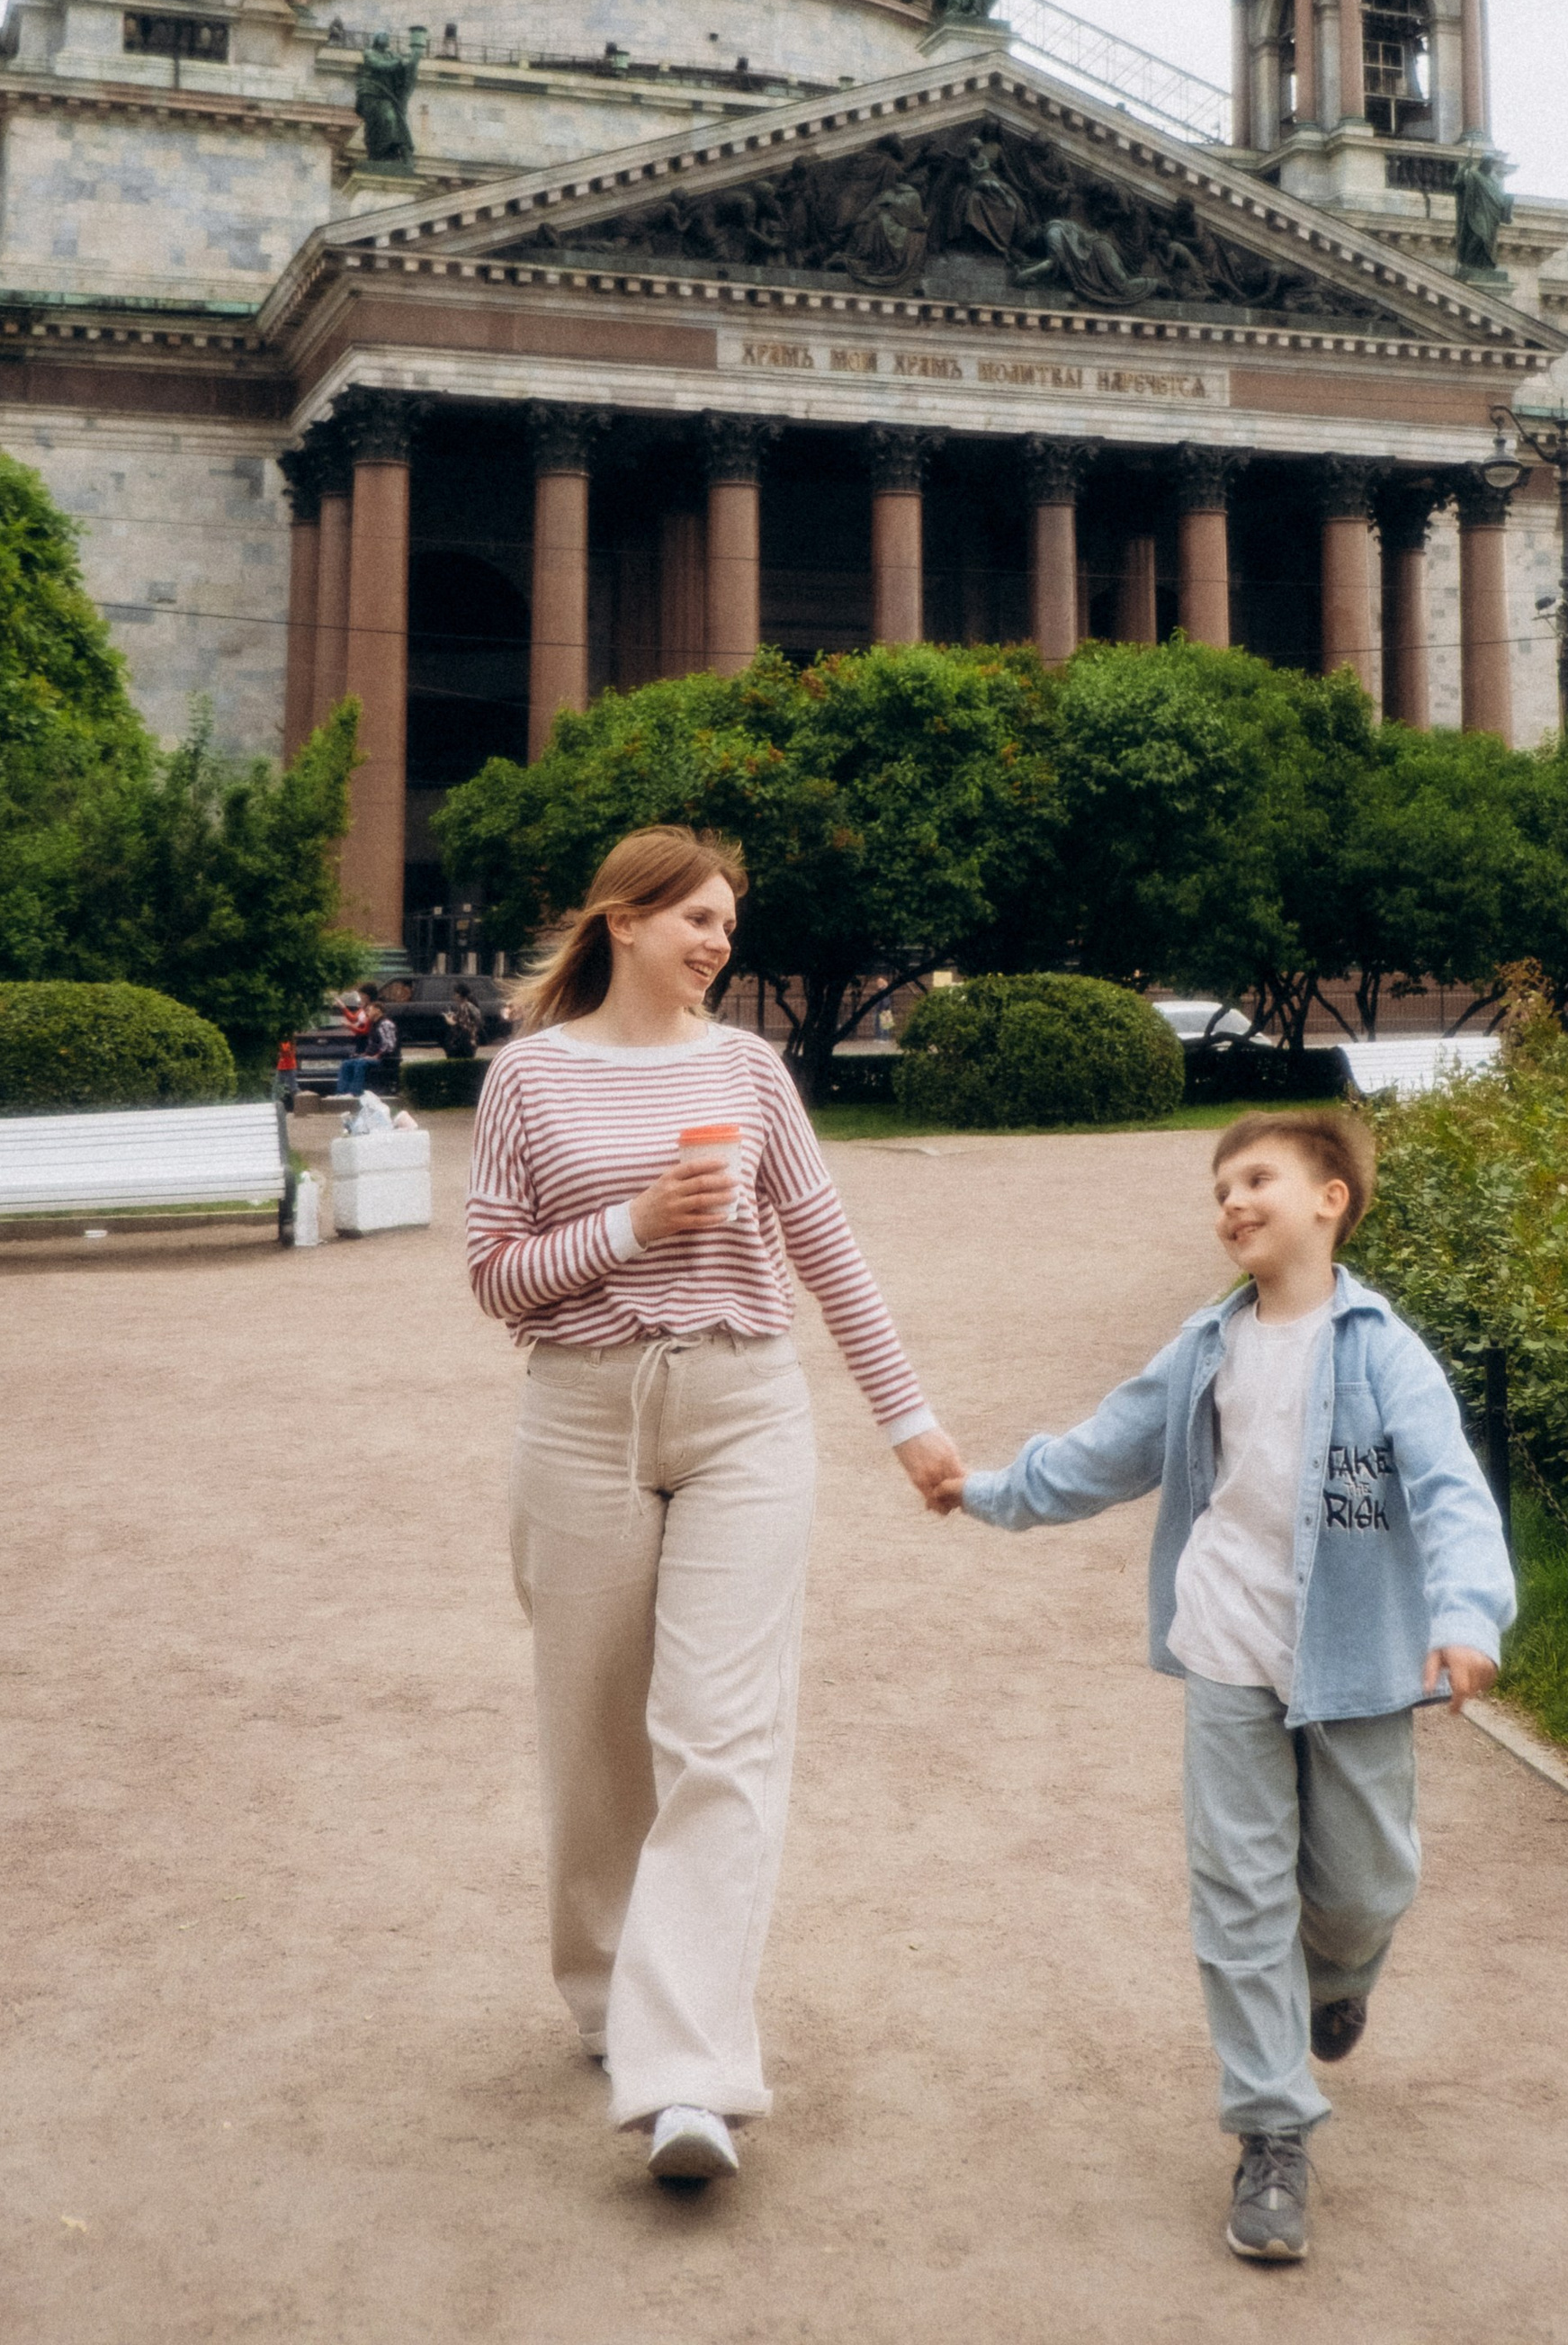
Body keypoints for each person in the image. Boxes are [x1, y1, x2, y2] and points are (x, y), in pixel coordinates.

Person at [924, 1111, 1513, 2267]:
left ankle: (1336, 1979)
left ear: (1329, 1200)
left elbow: (1450, 1491)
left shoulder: (1381, 1349)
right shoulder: (1205, 1346)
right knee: (1240, 1897)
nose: (1231, 1202)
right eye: (1219, 1188)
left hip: (1354, 1663)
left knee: (1360, 1887)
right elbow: (1103, 1452)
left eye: (1256, 1180)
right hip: (1227, 1648)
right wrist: (985, 1490)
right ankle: (1271, 2130)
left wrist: (1464, 1615)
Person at [467, 825, 960, 2191]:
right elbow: (495, 1278)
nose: (716, 941)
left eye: (729, 924)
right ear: (621, 921)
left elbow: (828, 1251)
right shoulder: (528, 1078)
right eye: (695, 916)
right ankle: (606, 1993)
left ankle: (686, 2074)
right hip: (580, 1413)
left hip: (746, 1407)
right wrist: (633, 1222)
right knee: (593, 1737)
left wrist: (907, 1422)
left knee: (722, 1738)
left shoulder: (750, 1071)